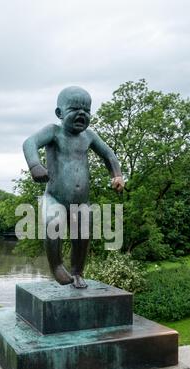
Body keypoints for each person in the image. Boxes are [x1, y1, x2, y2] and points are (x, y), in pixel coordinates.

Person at [23, 86, 124, 288]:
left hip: (82, 201)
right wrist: (35, 165)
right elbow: (30, 142)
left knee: (82, 237)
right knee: (54, 225)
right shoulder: (54, 132)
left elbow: (108, 154)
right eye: (75, 109)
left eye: (86, 110)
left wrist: (117, 175)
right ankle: (57, 266)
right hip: (55, 197)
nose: (81, 114)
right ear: (59, 113)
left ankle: (77, 272)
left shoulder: (89, 136)